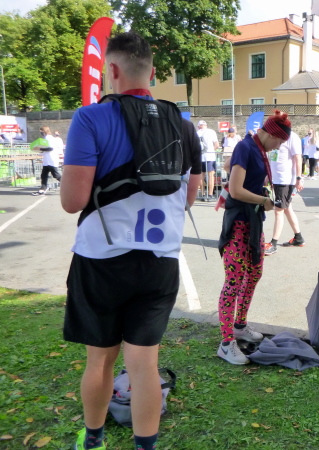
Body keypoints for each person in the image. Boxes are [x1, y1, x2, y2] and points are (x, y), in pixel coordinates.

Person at [60, 32, 201, 450]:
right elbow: (188, 198)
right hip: (159, 260)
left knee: (100, 360)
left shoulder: (90, 118)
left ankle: (94, 441)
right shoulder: (183, 124)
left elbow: (72, 202)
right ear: (152, 73)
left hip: (101, 259)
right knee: (144, 365)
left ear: (113, 70)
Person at [214, 110, 291, 365]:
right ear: (270, 134)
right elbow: (236, 190)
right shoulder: (246, 147)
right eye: (279, 141)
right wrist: (263, 200)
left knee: (254, 273)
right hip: (238, 223)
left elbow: (229, 167)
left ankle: (239, 326)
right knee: (233, 281)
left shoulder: (256, 149)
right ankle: (226, 344)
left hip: (253, 223)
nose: (278, 147)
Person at [264, 130, 305, 255]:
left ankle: (273, 243)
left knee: (278, 210)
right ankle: (298, 238)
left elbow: (298, 157)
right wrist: (269, 174)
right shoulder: (276, 135)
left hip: (285, 180)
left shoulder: (292, 137)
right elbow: (274, 157)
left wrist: (299, 178)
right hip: (277, 179)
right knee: (287, 208)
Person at [32, 126, 62, 196]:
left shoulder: (49, 138)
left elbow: (50, 148)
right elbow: (46, 149)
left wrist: (39, 149)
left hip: (51, 160)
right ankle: (42, 189)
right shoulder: (46, 138)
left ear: (44, 131)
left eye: (41, 131)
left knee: (56, 175)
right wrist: (40, 152)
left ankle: (69, 185)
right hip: (47, 160)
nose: (41, 133)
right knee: (43, 175)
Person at [197, 120, 220, 201]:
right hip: (210, 156)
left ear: (198, 126)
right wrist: (211, 151)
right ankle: (210, 195)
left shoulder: (196, 133)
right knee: (211, 175)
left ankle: (203, 194)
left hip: (200, 157)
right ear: (206, 125)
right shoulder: (211, 132)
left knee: (201, 176)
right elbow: (217, 145)